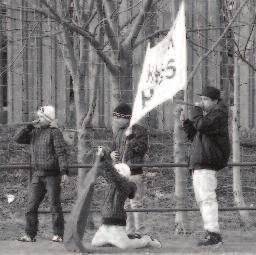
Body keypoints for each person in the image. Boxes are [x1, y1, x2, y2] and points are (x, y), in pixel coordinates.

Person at [182, 86, 230, 246]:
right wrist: (186, 122)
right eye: (201, 99)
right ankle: (211, 233)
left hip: (207, 162)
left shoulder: (219, 114)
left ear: (215, 101)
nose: (201, 102)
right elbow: (195, 135)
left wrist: (195, 111)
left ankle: (214, 235)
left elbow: (202, 126)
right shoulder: (210, 116)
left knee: (207, 199)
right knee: (203, 199)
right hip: (201, 162)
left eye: (205, 99)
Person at [14, 105, 69, 242]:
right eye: (38, 116)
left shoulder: (54, 132)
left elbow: (61, 152)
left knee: (54, 205)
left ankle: (58, 234)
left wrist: (64, 172)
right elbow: (17, 139)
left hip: (52, 175)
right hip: (37, 175)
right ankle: (29, 234)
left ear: (48, 119)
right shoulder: (34, 132)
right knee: (31, 206)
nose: (38, 119)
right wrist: (28, 127)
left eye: (41, 117)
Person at [91, 147, 161, 249]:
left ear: (122, 174)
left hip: (117, 223)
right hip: (105, 224)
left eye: (116, 170)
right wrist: (98, 157)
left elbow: (111, 172)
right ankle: (115, 239)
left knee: (124, 246)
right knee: (95, 243)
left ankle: (146, 240)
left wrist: (103, 159)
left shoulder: (123, 185)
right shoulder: (112, 182)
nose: (114, 171)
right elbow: (106, 171)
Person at [110, 102, 148, 239]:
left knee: (136, 203)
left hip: (134, 172)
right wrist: (111, 154)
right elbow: (113, 148)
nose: (114, 120)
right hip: (121, 173)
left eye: (116, 117)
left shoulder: (140, 131)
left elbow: (142, 149)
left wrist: (131, 138)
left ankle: (140, 231)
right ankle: (129, 231)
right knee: (125, 203)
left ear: (125, 118)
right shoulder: (118, 132)